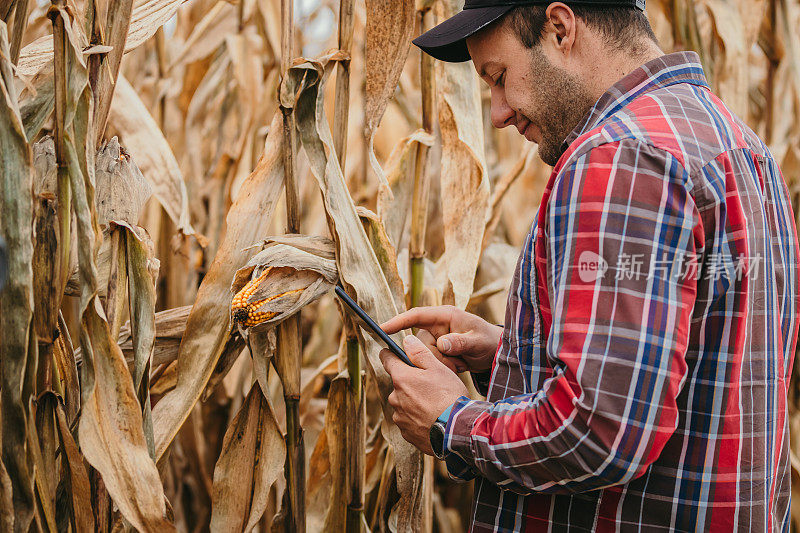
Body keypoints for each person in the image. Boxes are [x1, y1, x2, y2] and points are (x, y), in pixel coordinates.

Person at [378, 1, 800, 531]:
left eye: (499, 76)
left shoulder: (620, 156)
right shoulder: (741, 147)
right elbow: (696, 362)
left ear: (560, 27)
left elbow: (602, 431)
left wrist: (450, 421)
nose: (498, 111)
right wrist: (512, 354)